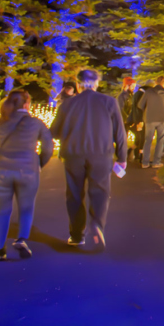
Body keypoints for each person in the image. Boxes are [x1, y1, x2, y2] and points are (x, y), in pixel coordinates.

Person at [49, 69, 127, 250]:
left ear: (78, 84)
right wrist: (122, 157)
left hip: (73, 155)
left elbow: (54, 132)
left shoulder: (67, 104)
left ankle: (76, 235)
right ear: (97, 84)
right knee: (99, 192)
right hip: (101, 154)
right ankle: (97, 224)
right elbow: (119, 132)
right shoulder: (109, 102)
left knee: (74, 194)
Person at [0, 89, 52, 262]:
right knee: (26, 208)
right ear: (27, 104)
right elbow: (48, 147)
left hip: (1, 172)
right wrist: (39, 164)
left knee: (2, 211)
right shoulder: (36, 123)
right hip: (28, 171)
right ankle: (21, 239)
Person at [136, 75, 164, 168]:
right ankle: (156, 162)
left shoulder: (148, 92)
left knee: (148, 140)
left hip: (150, 119)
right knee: (160, 140)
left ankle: (145, 162)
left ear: (156, 82)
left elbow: (140, 105)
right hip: (163, 119)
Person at [117, 77, 137, 159]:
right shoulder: (122, 96)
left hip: (131, 120)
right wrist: (127, 119)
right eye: (132, 86)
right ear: (127, 86)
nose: (134, 88)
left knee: (140, 136)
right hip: (124, 121)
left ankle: (131, 150)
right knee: (123, 139)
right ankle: (122, 155)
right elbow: (120, 109)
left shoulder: (131, 95)